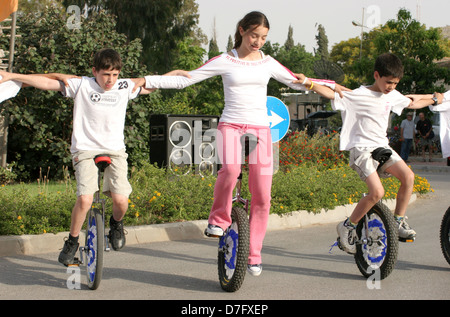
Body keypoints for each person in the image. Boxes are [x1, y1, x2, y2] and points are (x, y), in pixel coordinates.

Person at [133, 11, 344, 276]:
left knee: (263, 196)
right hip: (230, 125)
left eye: (263, 37)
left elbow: (299, 81)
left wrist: (335, 88)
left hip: (259, 130)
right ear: (242, 30)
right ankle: (218, 219)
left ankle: (254, 253)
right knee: (230, 170)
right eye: (254, 35)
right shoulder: (225, 60)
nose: (258, 41)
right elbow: (187, 78)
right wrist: (147, 80)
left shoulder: (268, 62)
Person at [0, 48, 185, 265]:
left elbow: (154, 84)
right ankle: (72, 241)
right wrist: (12, 76)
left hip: (115, 150)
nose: (110, 80)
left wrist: (175, 74)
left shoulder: (124, 86)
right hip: (85, 150)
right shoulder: (82, 85)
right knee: (85, 199)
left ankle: (116, 225)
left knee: (121, 201)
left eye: (115, 75)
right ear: (94, 71)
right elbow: (46, 82)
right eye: (106, 74)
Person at [294, 53, 425, 254]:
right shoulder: (357, 94)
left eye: (395, 83)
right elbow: (330, 93)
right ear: (376, 75)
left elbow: (413, 102)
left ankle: (398, 221)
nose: (391, 87)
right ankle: (348, 225)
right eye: (388, 82)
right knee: (377, 193)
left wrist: (435, 98)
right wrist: (308, 83)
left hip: (382, 147)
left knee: (408, 177)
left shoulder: (392, 95)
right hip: (361, 149)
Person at [408, 92, 449, 162]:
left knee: (430, 147)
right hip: (423, 136)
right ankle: (424, 158)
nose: (421, 116)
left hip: (428, 135)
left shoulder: (427, 121)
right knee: (423, 147)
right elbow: (439, 98)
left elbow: (438, 98)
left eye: (421, 115)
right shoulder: (419, 122)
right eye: (420, 115)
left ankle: (430, 158)